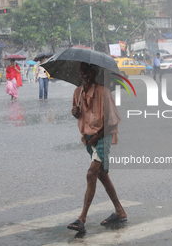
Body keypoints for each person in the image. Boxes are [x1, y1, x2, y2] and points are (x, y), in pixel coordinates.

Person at [67, 62, 127, 233]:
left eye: (87, 71)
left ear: (94, 74)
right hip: (88, 137)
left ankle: (82, 218)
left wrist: (96, 137)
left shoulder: (104, 92)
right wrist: (76, 113)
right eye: (81, 71)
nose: (83, 74)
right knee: (102, 174)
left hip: (103, 136)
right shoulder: (78, 93)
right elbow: (82, 117)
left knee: (91, 173)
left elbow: (112, 120)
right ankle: (120, 211)